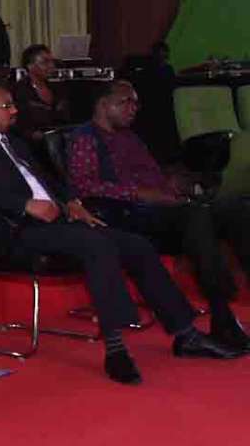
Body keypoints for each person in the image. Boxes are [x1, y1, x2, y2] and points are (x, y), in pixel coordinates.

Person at [0, 83, 239, 384]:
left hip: (54, 221)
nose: (15, 110)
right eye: (6, 106)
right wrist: (24, 205)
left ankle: (185, 333)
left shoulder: (15, 143)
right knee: (96, 243)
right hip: (13, 228)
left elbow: (50, 181)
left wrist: (71, 202)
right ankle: (115, 348)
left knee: (135, 245)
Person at [66, 80, 250, 352]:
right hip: (125, 214)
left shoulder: (130, 137)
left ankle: (229, 304)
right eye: (126, 102)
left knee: (235, 208)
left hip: (162, 209)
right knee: (196, 217)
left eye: (136, 102)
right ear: (104, 105)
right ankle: (221, 312)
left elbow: (154, 175)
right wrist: (140, 194)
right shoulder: (86, 138)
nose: (134, 108)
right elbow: (84, 186)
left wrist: (175, 184)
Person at [13, 44, 71, 143]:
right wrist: (32, 134)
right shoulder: (19, 91)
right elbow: (15, 124)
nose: (52, 66)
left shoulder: (57, 89)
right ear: (30, 66)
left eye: (52, 61)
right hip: (31, 144)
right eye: (45, 62)